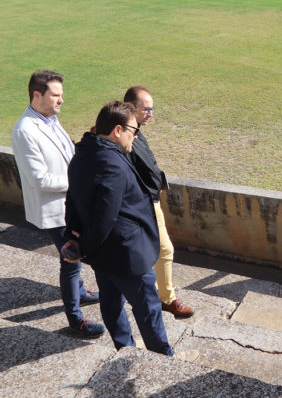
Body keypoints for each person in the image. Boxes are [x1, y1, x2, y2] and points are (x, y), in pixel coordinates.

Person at [63, 101, 173, 356]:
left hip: (103, 256)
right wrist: (84, 249)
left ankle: (125, 349)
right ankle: (163, 358)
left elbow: (73, 200)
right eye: (133, 130)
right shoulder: (111, 162)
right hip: (127, 255)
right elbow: (105, 217)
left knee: (111, 305)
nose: (136, 135)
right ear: (117, 130)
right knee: (148, 311)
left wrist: (74, 237)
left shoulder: (82, 154)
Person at [11, 70, 105, 338]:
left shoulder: (50, 119)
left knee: (74, 261)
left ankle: (81, 291)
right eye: (56, 95)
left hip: (70, 205)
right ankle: (76, 321)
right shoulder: (24, 130)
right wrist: (78, 181)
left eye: (61, 95)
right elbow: (39, 179)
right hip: (55, 210)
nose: (62, 100)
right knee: (71, 260)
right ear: (37, 95)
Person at [123, 85, 195, 318]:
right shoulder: (124, 134)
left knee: (155, 250)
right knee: (164, 249)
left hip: (149, 200)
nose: (151, 113)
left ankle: (156, 292)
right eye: (147, 108)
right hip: (142, 203)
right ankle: (167, 299)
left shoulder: (135, 128)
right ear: (132, 108)